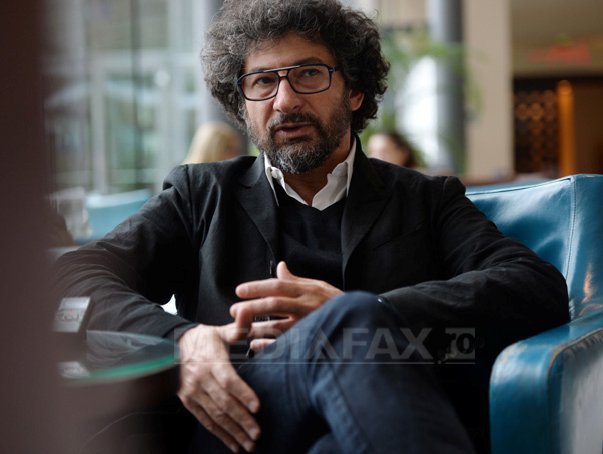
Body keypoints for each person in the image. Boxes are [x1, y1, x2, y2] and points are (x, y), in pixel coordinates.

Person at [54, 0, 569, 452]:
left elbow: (535, 287)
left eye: (307, 74)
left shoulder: (425, 200)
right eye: (262, 82)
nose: (284, 101)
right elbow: (71, 278)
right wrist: (184, 340)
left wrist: (377, 313)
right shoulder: (200, 195)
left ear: (355, 91)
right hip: (236, 426)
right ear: (242, 106)